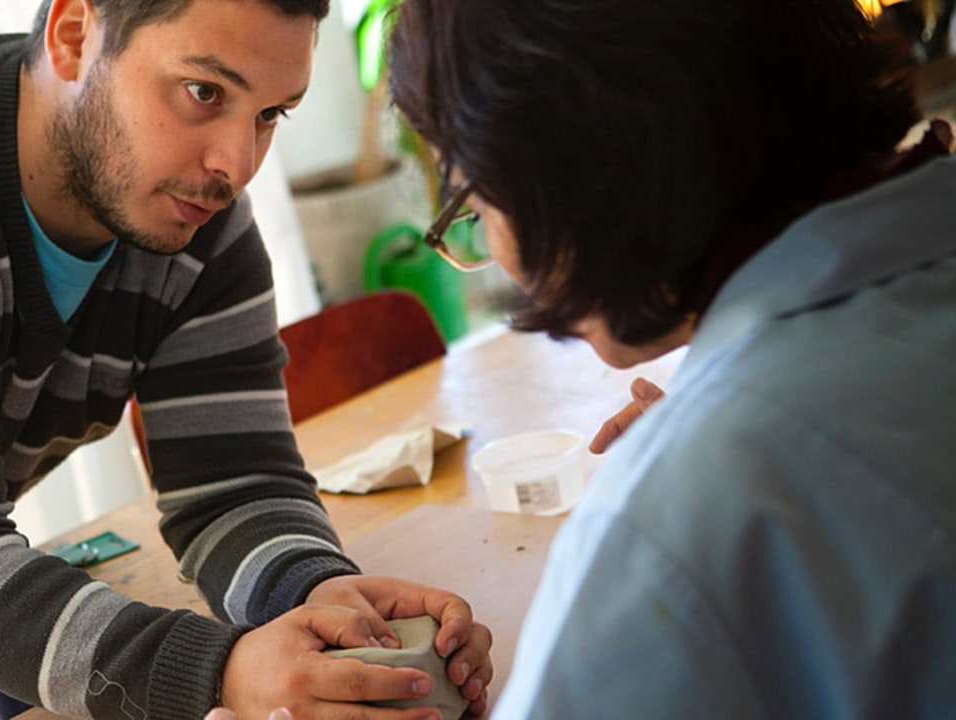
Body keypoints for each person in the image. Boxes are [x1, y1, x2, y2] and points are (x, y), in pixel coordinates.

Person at [0, 0, 494, 717]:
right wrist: (221, 672)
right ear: (72, 34)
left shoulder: (194, 220)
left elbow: (234, 487)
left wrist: (315, 596)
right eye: (204, 92)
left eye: (271, 113)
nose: (236, 166)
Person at [384, 0, 956, 716]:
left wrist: (700, 461)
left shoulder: (670, 526)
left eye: (469, 199)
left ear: (567, 171)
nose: (495, 254)